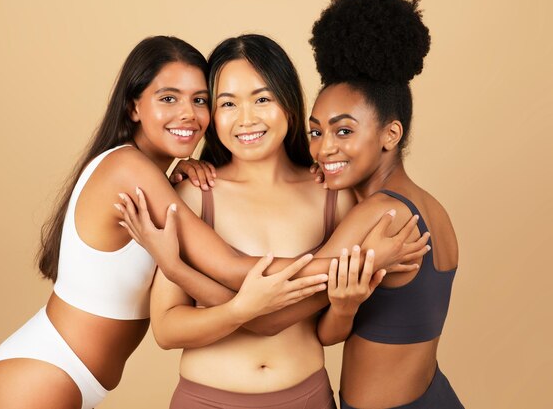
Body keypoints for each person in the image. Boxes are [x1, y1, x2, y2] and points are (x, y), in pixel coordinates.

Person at [0, 35, 326, 409]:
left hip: (65, 375)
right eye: (168, 98)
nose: (188, 113)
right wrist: (361, 259)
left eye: (199, 100)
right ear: (133, 107)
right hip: (38, 377)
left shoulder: (154, 177)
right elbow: (233, 268)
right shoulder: (126, 168)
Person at [116, 35, 433, 408]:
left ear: (289, 104)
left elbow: (326, 332)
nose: (246, 119)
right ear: (212, 116)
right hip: (206, 400)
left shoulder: (333, 195)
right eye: (227, 104)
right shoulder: (195, 195)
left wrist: (345, 307)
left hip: (307, 397)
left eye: (262, 99)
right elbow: (168, 329)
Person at [309, 0, 464, 407]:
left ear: (390, 135)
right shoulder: (431, 207)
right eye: (316, 132)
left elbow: (281, 292)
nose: (324, 148)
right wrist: (343, 306)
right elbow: (330, 330)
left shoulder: (381, 213)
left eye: (343, 132)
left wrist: (180, 260)